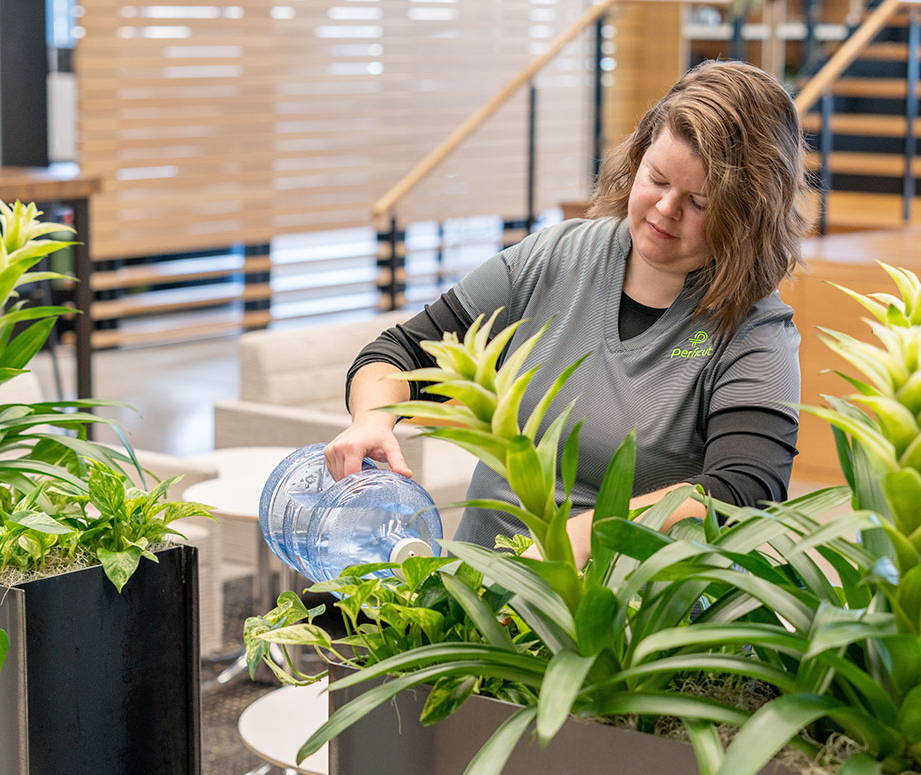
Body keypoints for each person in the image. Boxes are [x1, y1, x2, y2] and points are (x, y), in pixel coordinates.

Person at [325, 60, 810, 567]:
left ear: (746, 214)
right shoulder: (554, 257)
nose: (666, 208)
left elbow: (742, 494)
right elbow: (400, 352)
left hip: (624, 623)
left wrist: (579, 539)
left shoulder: (754, 331)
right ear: (637, 159)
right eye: (657, 178)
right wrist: (374, 419)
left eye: (700, 203)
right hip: (480, 598)